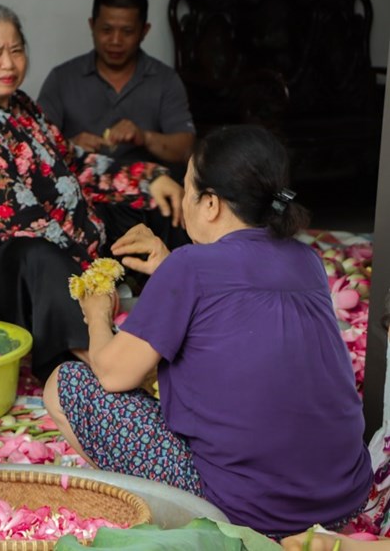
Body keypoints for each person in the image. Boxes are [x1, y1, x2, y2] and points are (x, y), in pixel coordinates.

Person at [43, 124, 372, 537]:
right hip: (341, 501)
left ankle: (183, 526)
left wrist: (95, 312)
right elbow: (235, 307)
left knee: (65, 383)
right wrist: (170, 270)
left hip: (243, 513)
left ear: (211, 204)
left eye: (187, 189)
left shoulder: (190, 268)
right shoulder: (304, 259)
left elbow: (112, 374)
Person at [0, 1, 183, 382]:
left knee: (149, 207)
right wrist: (93, 273)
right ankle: (100, 363)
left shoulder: (19, 105)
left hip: (66, 241)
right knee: (38, 255)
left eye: (16, 50)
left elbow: (73, 165)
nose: (9, 64)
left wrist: (149, 179)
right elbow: (18, 222)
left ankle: (189, 302)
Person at [37, 0, 195, 181]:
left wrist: (144, 137)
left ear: (144, 31)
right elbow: (36, 147)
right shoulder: (62, 78)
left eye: (127, 32)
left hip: (148, 197)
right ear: (92, 25)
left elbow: (185, 148)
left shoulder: (165, 80)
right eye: (106, 30)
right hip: (81, 195)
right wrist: (69, 146)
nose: (115, 41)